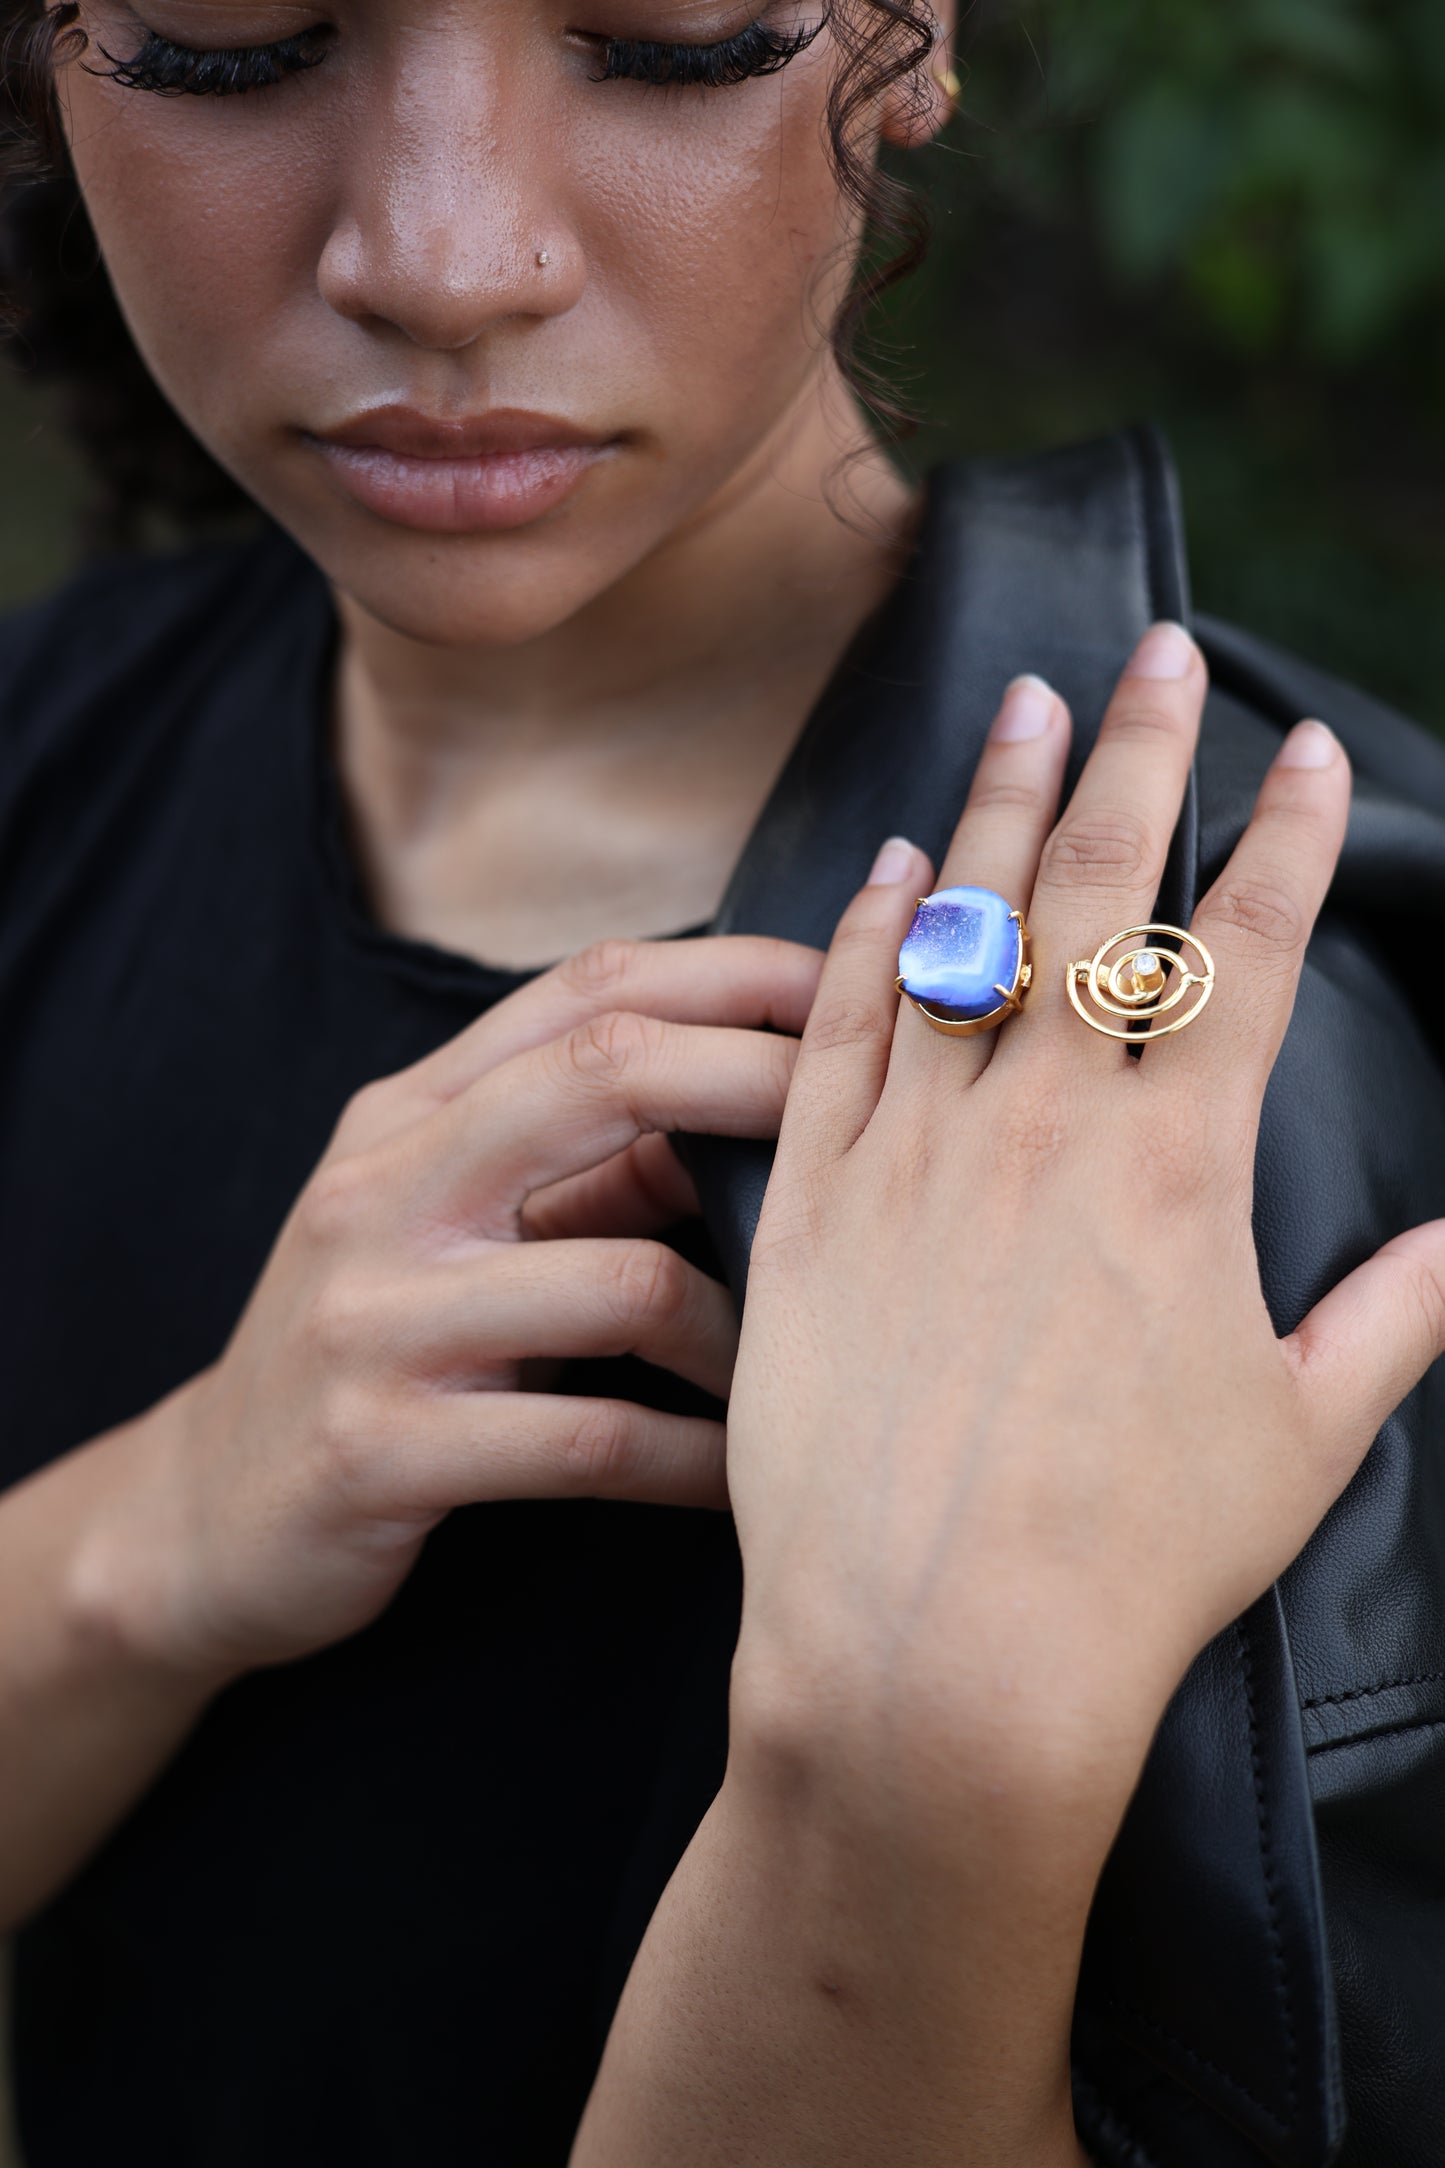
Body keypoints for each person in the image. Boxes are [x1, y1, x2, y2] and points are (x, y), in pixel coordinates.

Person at [0, 0, 1441, 2158]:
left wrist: (908, 1772)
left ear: (916, 32)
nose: (447, 253)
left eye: (666, 33)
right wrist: (162, 1528)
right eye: (230, 36)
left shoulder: (1311, 1053)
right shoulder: (48, 744)